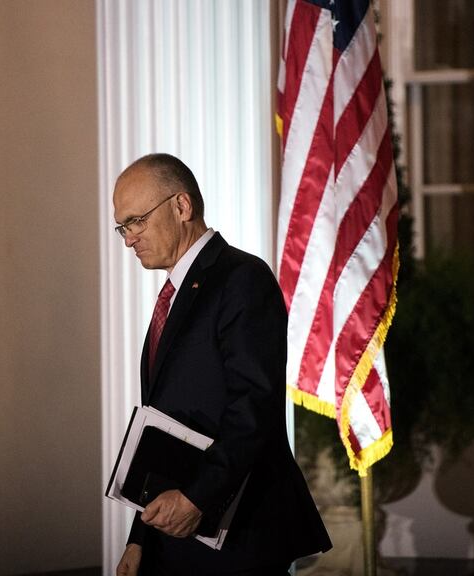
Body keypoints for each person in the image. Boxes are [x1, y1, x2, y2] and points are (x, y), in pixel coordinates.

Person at [112, 154, 331, 575]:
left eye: (136, 221)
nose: (129, 239)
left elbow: (254, 404)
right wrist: (140, 538)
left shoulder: (241, 278)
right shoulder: (174, 295)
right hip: (174, 538)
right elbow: (161, 427)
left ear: (182, 206)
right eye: (123, 227)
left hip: (239, 534)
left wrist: (198, 498)